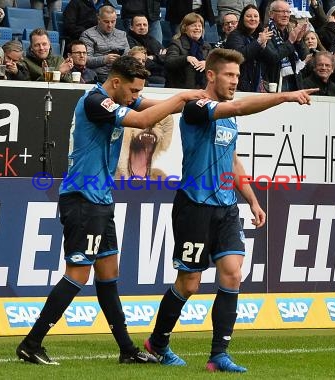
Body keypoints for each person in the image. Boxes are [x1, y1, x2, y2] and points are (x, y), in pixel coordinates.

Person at [15, 55, 207, 366]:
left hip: (101, 199)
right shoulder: (95, 101)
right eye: (132, 92)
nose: (135, 98)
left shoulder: (119, 96)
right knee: (78, 273)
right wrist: (183, 95)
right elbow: (145, 120)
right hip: (82, 198)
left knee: (108, 275)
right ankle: (31, 343)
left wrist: (196, 101)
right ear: (116, 83)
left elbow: (154, 107)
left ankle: (126, 349)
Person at [143, 48, 317, 373]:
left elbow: (232, 160)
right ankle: (158, 342)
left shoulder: (228, 114)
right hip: (194, 205)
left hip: (226, 206)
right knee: (189, 283)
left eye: (237, 76)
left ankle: (219, 354)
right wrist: (284, 97)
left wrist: (251, 198)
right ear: (211, 75)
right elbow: (236, 106)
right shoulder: (196, 107)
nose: (235, 81)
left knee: (233, 274)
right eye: (229, 75)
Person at [224, 4, 273, 92]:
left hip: (256, 83)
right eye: (249, 16)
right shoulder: (234, 35)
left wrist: (263, 46)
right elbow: (239, 56)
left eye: (255, 16)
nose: (253, 19)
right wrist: (258, 42)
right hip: (238, 85)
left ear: (259, 20)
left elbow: (270, 59)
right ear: (242, 19)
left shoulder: (259, 36)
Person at [264, 0, 309, 91]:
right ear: (271, 14)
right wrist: (290, 41)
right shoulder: (265, 32)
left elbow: (304, 56)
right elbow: (273, 56)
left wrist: (299, 41)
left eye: (288, 12)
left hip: (294, 79)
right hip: (274, 81)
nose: (286, 15)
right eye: (281, 11)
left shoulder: (290, 31)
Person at [80, 5, 130, 83]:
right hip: (97, 75)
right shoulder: (87, 35)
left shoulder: (122, 34)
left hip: (119, 75)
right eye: (106, 22)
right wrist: (104, 59)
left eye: (113, 21)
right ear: (99, 19)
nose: (110, 25)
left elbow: (128, 58)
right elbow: (84, 59)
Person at [165, 12, 212, 89]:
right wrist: (186, 58)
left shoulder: (206, 46)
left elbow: (216, 66)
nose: (197, 28)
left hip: (202, 89)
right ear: (185, 28)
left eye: (200, 26)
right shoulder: (176, 43)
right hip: (179, 89)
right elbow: (169, 62)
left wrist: (207, 64)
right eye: (194, 26)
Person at [126, 14, 165, 85]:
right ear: (131, 27)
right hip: (138, 75)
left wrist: (153, 57)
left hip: (155, 73)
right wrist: (159, 59)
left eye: (145, 25)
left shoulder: (152, 40)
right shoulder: (127, 40)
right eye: (138, 25)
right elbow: (140, 61)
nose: (142, 27)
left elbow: (166, 56)